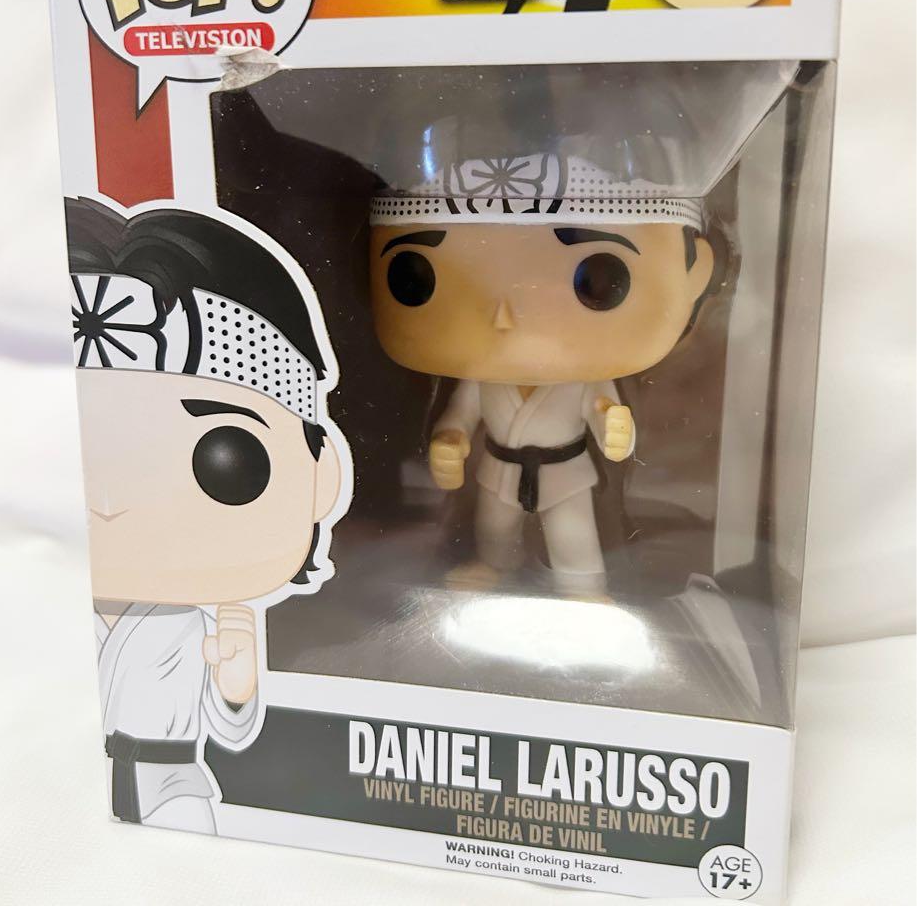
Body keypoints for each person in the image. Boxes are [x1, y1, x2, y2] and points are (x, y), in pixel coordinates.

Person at [66, 197, 350, 832]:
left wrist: (237, 682)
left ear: (320, 476)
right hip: (57, 786)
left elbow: (233, 730)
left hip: (172, 786)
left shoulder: (193, 624)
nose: (107, 502)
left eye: (225, 459)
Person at [368, 153, 713, 594]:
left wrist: (613, 426)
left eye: (596, 279)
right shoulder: (480, 378)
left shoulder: (586, 377)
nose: (505, 314)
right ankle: (493, 566)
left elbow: (603, 410)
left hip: (564, 470)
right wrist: (449, 439)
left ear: (695, 275)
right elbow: (461, 415)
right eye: (417, 278)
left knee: (573, 534)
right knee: (495, 529)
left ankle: (582, 586)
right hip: (501, 466)